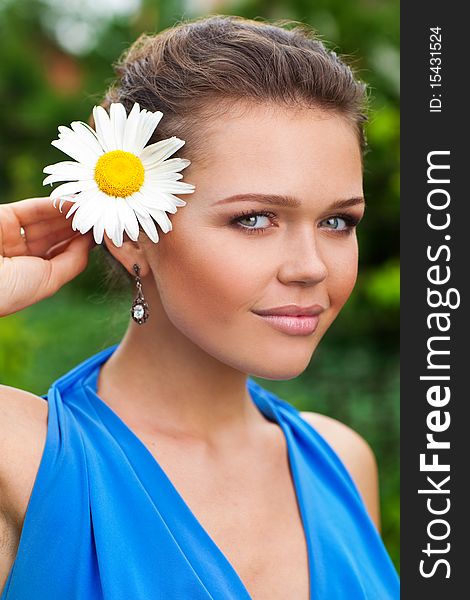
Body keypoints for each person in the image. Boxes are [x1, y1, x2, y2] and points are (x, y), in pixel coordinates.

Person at [0, 14, 399, 599]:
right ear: (133, 235)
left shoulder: (342, 462)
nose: (312, 265)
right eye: (255, 218)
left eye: (338, 221)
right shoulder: (24, 457)